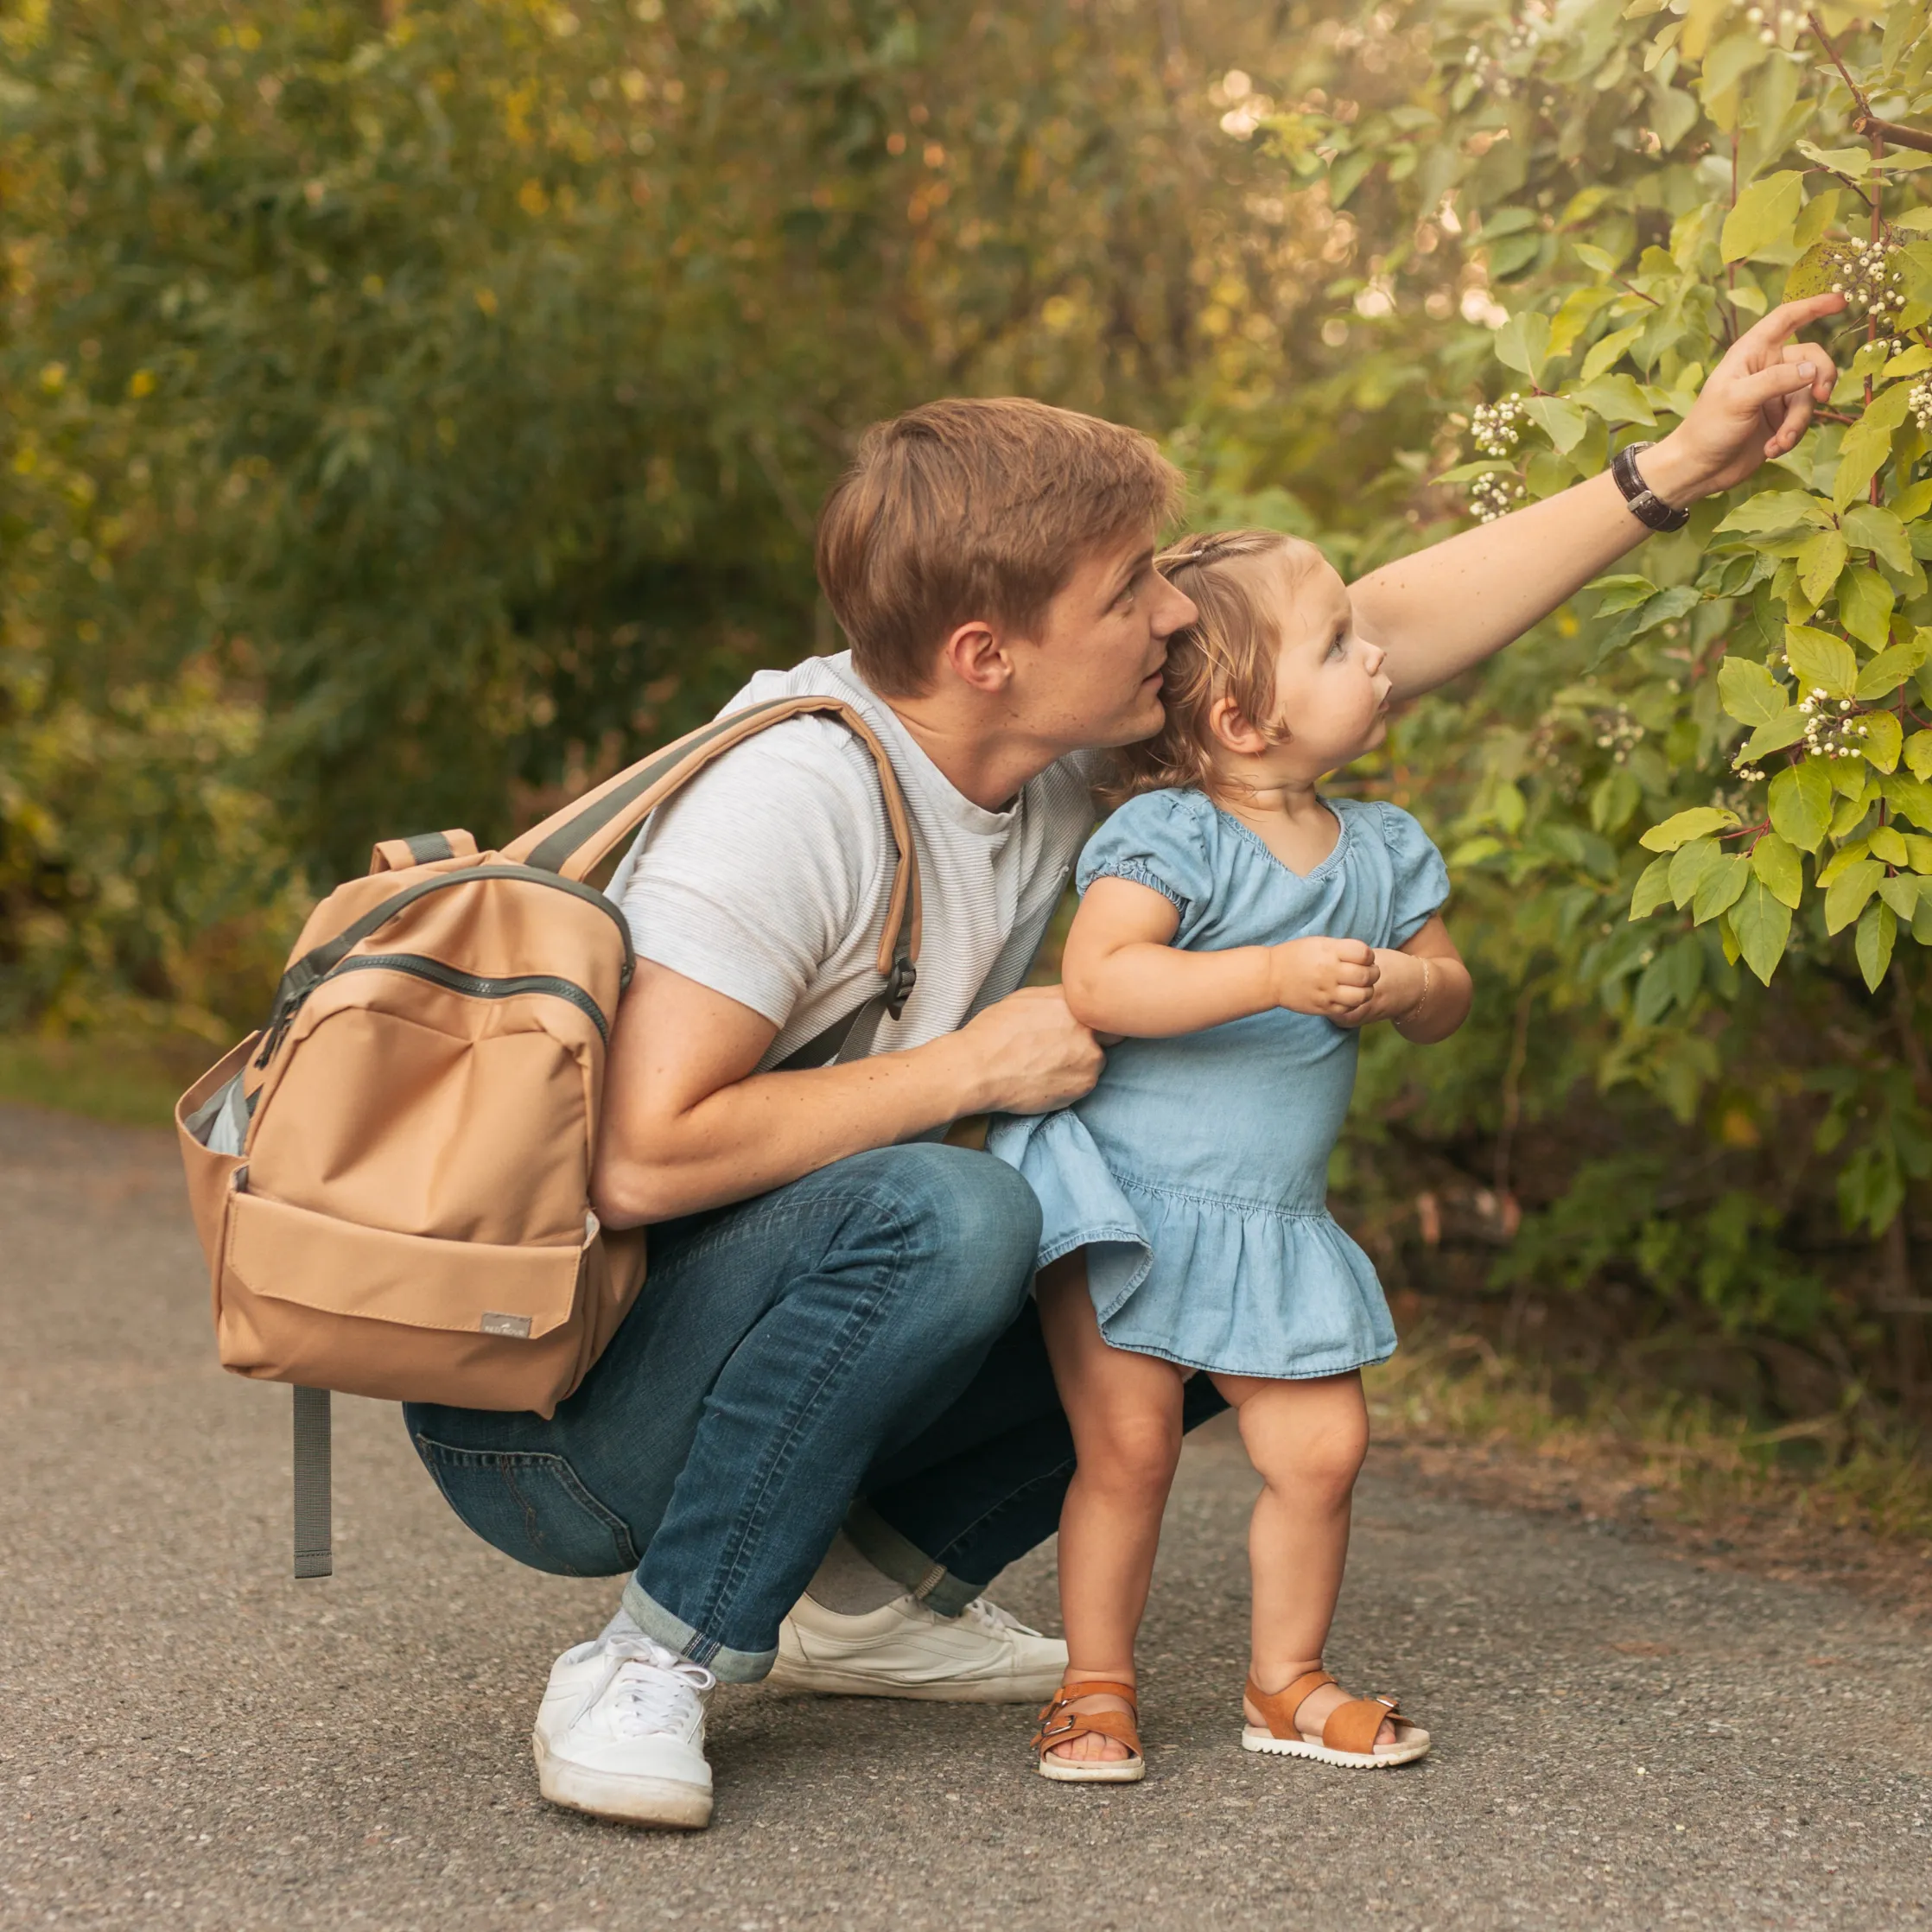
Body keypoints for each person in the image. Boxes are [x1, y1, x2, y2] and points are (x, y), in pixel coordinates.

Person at [401, 295, 1844, 1830]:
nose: (1169, 615)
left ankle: (872, 1595)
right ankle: (656, 1652)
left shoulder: (1036, 745)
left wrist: (1679, 464)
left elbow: (1378, 636)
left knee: (1215, 1255)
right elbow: (641, 1158)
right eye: (1130, 591)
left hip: (715, 1317)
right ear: (989, 652)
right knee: (957, 1215)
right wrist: (968, 1067)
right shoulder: (796, 803)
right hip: (551, 1428)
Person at [992, 529, 1471, 1783]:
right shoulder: (1173, 835)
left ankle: (1287, 1680)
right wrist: (1265, 971)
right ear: (1244, 718)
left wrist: (1410, 984)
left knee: (1324, 1451)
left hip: (1272, 1216)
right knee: (1131, 1447)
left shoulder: (1381, 849)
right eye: (1336, 642)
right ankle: (1095, 1684)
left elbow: (1453, 990)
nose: (1374, 655)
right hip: (1132, 1200)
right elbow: (1101, 979)